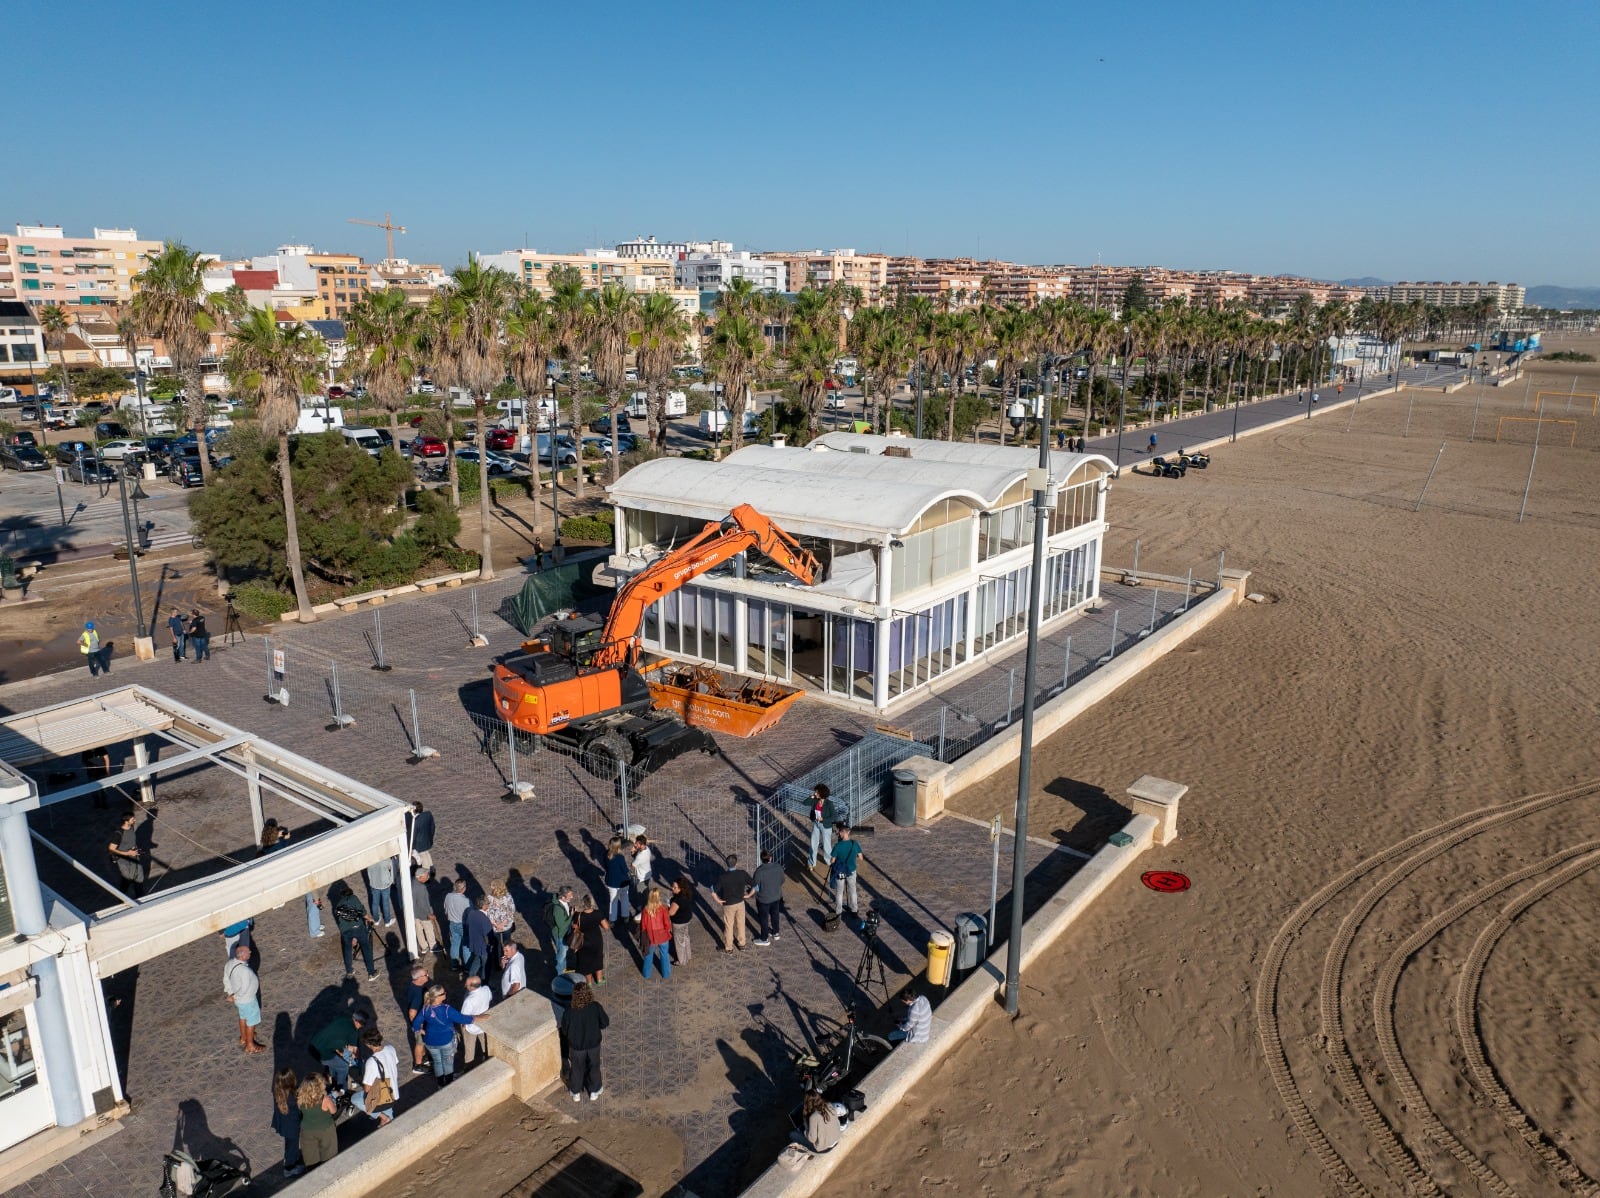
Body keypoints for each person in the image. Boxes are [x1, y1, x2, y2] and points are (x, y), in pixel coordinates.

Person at [411, 983, 473, 1086]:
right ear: (437, 997)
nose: (446, 993)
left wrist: (421, 1031)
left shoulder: (425, 1008)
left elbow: (416, 1024)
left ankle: (440, 1083)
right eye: (443, 993)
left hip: (430, 1042)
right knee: (447, 1063)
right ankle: (448, 1083)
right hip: (446, 1041)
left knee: (438, 1062)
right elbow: (462, 1019)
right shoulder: (446, 1009)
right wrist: (475, 1018)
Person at [564, 980, 609, 1102]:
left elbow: (565, 1028)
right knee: (594, 1067)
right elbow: (605, 1022)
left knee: (577, 1068)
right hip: (593, 1044)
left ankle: (576, 1092)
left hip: (577, 1047)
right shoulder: (595, 1006)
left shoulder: (569, 1011)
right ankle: (594, 1091)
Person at [350, 1026, 399, 1126]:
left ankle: (382, 1117)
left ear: (368, 1044)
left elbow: (367, 1088)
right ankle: (388, 1121)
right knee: (388, 1110)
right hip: (393, 1092)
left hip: (382, 1096)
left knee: (355, 1099)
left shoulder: (371, 1062)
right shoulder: (391, 1048)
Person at [310, 1008, 367, 1093]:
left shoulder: (342, 1019)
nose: (362, 1025)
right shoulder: (353, 1032)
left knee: (335, 1061)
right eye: (362, 1023)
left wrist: (340, 1051)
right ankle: (341, 1091)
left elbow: (335, 1038)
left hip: (313, 1045)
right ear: (355, 1020)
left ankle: (332, 1082)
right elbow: (355, 1050)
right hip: (323, 1053)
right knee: (343, 1066)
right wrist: (357, 1061)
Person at [330, 882, 378, 981]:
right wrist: (370, 919)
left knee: (347, 950)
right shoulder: (353, 898)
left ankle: (349, 971)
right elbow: (362, 912)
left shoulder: (338, 905)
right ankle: (371, 973)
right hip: (358, 928)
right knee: (366, 948)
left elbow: (340, 921)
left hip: (345, 931)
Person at [224, 943, 265, 1053]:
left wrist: (231, 994)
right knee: (251, 1021)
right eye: (248, 952)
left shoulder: (229, 964)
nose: (250, 953)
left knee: (243, 1017)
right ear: (242, 956)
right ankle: (250, 1045)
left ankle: (243, 1038)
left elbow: (226, 979)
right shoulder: (244, 971)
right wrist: (236, 996)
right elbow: (245, 987)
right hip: (248, 1000)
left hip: (239, 1001)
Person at [296, 1076, 339, 1169]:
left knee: (311, 1160)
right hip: (325, 1130)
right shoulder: (325, 1099)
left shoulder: (301, 1098)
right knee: (329, 1157)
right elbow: (334, 1111)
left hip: (307, 1131)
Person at [714, 854, 753, 952]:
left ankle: (729, 948)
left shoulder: (723, 877)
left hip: (728, 904)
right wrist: (748, 895)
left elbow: (713, 890)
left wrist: (718, 900)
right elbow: (755, 885)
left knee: (729, 925)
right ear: (736, 863)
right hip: (740, 902)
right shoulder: (742, 873)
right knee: (741, 923)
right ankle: (742, 944)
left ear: (727, 864)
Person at [271, 1067, 305, 1178]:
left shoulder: (279, 1092)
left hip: (285, 1125)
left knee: (290, 1143)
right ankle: (289, 1167)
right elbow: (299, 1107)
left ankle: (292, 1158)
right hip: (292, 1126)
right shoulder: (292, 1096)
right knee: (292, 1146)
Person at [570, 893, 609, 985]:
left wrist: (572, 915)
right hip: (596, 940)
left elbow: (574, 927)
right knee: (598, 958)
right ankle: (599, 979)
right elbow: (606, 927)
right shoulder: (597, 913)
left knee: (585, 961)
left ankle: (589, 982)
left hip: (583, 941)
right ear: (592, 903)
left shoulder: (578, 915)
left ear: (583, 904)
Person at [107, 809, 146, 898]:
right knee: (127, 879)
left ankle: (140, 897)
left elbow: (131, 841)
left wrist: (135, 849)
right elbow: (111, 848)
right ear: (126, 821)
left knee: (139, 877)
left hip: (135, 857)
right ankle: (121, 898)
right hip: (124, 860)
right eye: (133, 819)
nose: (135, 820)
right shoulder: (118, 834)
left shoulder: (131, 827)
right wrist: (127, 853)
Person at [751, 850, 785, 946]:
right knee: (775, 915)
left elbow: (755, 886)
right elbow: (782, 880)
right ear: (771, 858)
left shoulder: (759, 871)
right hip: (776, 896)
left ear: (761, 859)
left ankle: (764, 938)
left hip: (763, 899)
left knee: (764, 919)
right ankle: (776, 932)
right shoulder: (778, 867)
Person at [638, 886, 672, 980]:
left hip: (650, 936)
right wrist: (668, 930)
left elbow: (643, 925)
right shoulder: (663, 909)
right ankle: (666, 974)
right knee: (664, 955)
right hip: (663, 936)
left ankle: (646, 974)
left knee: (648, 956)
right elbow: (667, 923)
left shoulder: (645, 910)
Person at [459, 974, 493, 1065]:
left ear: (472, 987)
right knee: (486, 1046)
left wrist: (463, 1028)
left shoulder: (469, 1000)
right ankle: (486, 1061)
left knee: (469, 1051)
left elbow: (464, 1018)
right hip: (484, 1024)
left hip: (471, 1027)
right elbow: (490, 999)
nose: (465, 986)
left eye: (466, 985)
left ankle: (469, 1068)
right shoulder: (486, 989)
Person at [830, 825, 862, 917]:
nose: (839, 834)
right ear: (848, 832)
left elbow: (832, 861)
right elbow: (860, 857)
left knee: (840, 892)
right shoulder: (854, 844)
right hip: (851, 871)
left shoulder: (837, 846)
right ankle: (854, 910)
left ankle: (838, 911)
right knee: (852, 891)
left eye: (839, 832)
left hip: (840, 871)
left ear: (842, 833)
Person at [797, 1089, 842, 1154]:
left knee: (793, 1134)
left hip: (824, 1148)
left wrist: (805, 1129)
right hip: (836, 1138)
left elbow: (812, 1139)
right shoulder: (829, 1105)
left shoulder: (813, 1117)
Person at [405, 966, 431, 1073]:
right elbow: (412, 1013)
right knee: (420, 1043)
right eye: (426, 974)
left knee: (422, 1043)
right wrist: (419, 1028)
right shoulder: (418, 995)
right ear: (419, 978)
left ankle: (423, 1057)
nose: (428, 975)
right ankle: (418, 1065)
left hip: (420, 1021)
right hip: (419, 1024)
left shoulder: (413, 985)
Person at [410, 867, 440, 958]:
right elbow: (422, 903)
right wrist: (429, 914)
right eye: (426, 875)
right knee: (428, 928)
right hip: (423, 914)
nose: (428, 877)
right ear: (420, 877)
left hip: (414, 913)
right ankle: (432, 946)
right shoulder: (421, 887)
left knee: (418, 930)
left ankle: (424, 947)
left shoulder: (412, 882)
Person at [464, 895, 494, 981]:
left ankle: (470, 979)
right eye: (488, 903)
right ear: (484, 906)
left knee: (477, 961)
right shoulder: (484, 919)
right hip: (483, 947)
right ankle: (485, 984)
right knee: (486, 966)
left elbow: (467, 925)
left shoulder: (471, 913)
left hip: (475, 945)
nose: (489, 905)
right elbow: (489, 936)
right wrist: (492, 945)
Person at [443, 877, 470, 971]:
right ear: (463, 888)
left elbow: (446, 910)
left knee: (455, 944)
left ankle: (454, 965)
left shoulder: (448, 896)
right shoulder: (466, 901)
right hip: (463, 925)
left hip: (452, 923)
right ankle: (467, 967)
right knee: (466, 947)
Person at [807, 784, 837, 870]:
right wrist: (811, 797)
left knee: (826, 845)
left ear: (821, 793)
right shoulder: (815, 800)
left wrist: (823, 819)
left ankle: (829, 861)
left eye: (816, 792)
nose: (815, 793)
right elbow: (805, 803)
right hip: (816, 823)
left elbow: (833, 816)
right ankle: (811, 863)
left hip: (825, 825)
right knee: (813, 843)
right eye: (815, 792)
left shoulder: (829, 804)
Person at [547, 884, 575, 975]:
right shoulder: (557, 909)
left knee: (564, 952)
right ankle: (560, 974)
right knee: (561, 955)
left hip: (565, 933)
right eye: (570, 895)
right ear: (563, 897)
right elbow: (562, 926)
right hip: (561, 935)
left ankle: (564, 970)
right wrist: (571, 916)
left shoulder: (565, 902)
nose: (572, 897)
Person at [668, 876, 696, 965]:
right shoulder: (686, 895)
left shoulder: (677, 900)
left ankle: (682, 961)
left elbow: (671, 913)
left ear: (680, 888)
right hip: (686, 919)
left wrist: (667, 908)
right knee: (685, 937)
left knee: (679, 942)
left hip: (679, 923)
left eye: (675, 887)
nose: (672, 889)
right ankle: (688, 955)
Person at [604, 836, 633, 924]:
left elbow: (606, 867)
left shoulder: (606, 855)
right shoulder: (620, 857)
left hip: (611, 881)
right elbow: (624, 870)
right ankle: (626, 916)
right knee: (624, 898)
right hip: (622, 882)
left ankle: (612, 920)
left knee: (613, 901)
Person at [485, 878, 516, 957]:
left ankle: (498, 964)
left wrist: (496, 925)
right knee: (507, 944)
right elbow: (512, 911)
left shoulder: (489, 898)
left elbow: (488, 913)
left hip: (495, 927)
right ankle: (507, 959)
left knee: (496, 944)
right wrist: (503, 923)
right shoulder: (508, 897)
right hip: (507, 925)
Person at [366, 857, 397, 927]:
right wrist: (391, 881)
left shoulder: (370, 860)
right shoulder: (387, 860)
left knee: (375, 903)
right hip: (385, 885)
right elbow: (391, 871)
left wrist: (371, 881)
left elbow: (369, 873)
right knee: (385, 903)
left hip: (374, 884)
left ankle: (376, 920)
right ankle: (387, 921)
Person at [629, 834, 654, 916]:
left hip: (641, 878)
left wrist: (632, 851)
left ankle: (643, 910)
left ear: (641, 844)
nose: (635, 844)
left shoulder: (640, 856)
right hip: (647, 874)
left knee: (641, 894)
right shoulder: (647, 849)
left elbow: (632, 865)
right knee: (645, 891)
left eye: (637, 843)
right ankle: (648, 905)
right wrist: (635, 850)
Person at [406, 801, 436, 869]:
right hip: (427, 840)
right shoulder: (428, 815)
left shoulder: (415, 821)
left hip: (419, 843)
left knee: (423, 857)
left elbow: (413, 835)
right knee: (426, 853)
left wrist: (411, 847)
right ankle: (431, 866)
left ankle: (427, 871)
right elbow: (433, 827)